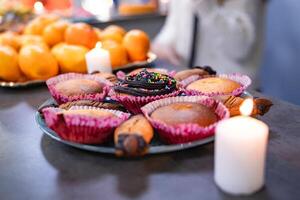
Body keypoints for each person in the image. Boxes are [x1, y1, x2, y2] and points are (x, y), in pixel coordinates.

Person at [152, 0, 267, 86]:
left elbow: (240, 49)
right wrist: (161, 46)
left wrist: (205, 6)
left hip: (235, 89)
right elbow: (172, 28)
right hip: (192, 87)